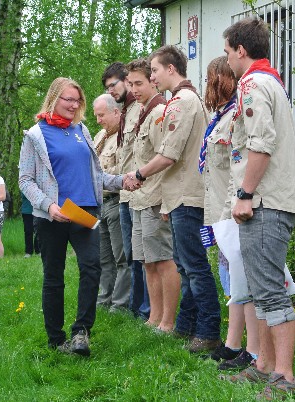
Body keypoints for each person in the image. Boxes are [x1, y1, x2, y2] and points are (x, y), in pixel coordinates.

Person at [19, 77, 139, 357]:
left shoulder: (81, 130)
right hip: (52, 217)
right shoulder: (35, 135)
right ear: (54, 99)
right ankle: (56, 339)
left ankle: (81, 332)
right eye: (68, 100)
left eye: (77, 100)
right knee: (54, 276)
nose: (74, 105)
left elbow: (96, 176)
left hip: (85, 213)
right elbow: (25, 180)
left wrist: (122, 181)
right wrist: (48, 205)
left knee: (92, 268)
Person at [223, 17, 295, 400]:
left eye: (227, 51)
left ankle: (284, 376)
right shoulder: (271, 81)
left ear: (241, 50)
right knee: (259, 288)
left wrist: (245, 193)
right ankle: (264, 365)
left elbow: (261, 143)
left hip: (264, 202)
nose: (227, 59)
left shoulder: (253, 84)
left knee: (269, 289)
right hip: (270, 200)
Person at [126, 45, 222, 353]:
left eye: (154, 70)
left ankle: (208, 331)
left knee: (194, 266)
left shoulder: (182, 102)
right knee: (186, 265)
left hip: (186, 194)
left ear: (171, 69)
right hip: (180, 194)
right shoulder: (185, 100)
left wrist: (138, 174)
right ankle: (186, 326)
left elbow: (169, 154)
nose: (152, 76)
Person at [200, 56, 259, 370]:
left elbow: (238, 170)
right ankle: (233, 344)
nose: (207, 84)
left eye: (210, 77)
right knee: (231, 282)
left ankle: (253, 350)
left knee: (243, 282)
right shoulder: (220, 117)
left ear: (222, 79)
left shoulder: (238, 115)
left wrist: (226, 214)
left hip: (233, 211)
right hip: (219, 212)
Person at [126, 58, 180, 332]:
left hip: (155, 198)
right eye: (130, 84)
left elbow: (164, 157)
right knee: (146, 261)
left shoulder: (159, 112)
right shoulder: (141, 111)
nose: (133, 89)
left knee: (162, 259)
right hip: (139, 199)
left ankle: (168, 321)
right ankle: (154, 317)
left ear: (152, 81)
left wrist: (165, 202)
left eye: (139, 83)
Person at [103, 62, 150, 320]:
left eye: (114, 85)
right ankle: (135, 308)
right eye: (107, 88)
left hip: (140, 193)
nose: (111, 91)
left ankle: (146, 311)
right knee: (132, 255)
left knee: (144, 256)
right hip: (124, 193)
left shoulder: (142, 108)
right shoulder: (126, 112)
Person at [93, 94, 131, 311]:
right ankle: (104, 299)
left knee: (121, 256)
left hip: (117, 200)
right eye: (96, 116)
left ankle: (120, 304)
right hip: (100, 203)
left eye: (101, 115)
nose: (98, 120)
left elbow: (124, 170)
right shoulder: (100, 136)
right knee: (103, 257)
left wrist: (101, 176)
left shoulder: (125, 136)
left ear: (116, 112)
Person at [21, 193, 40, 257]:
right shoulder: (25, 186)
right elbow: (25, 194)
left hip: (38, 210)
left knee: (38, 230)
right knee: (28, 231)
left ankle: (38, 250)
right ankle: (28, 252)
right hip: (27, 211)